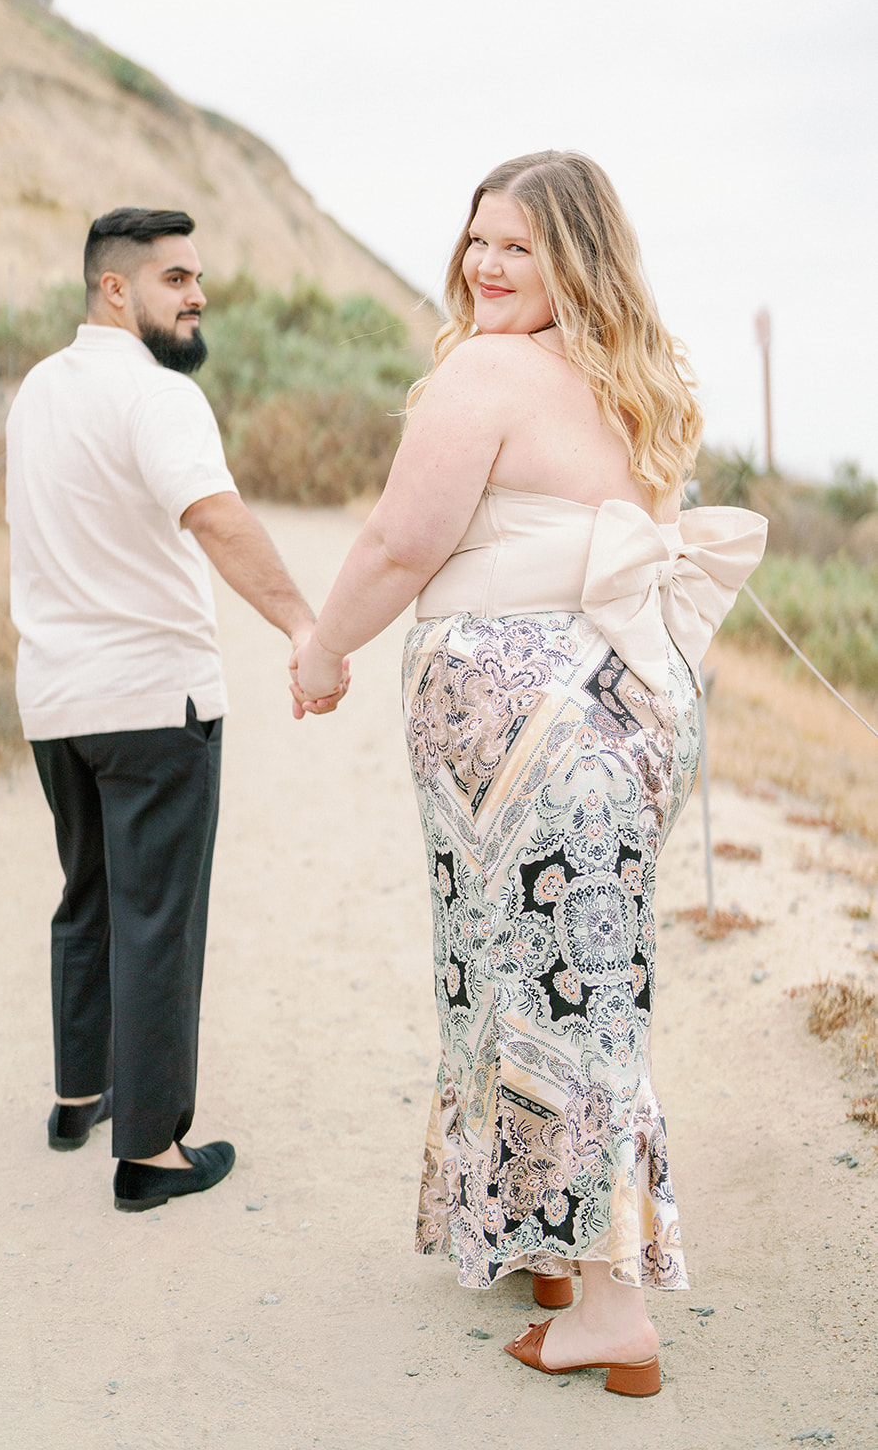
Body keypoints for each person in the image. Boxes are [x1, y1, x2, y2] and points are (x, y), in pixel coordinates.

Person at [292, 153, 766, 1395]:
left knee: (538, 995)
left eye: (518, 246)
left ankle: (608, 1304)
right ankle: (541, 1247)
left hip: (529, 740)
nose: (484, 266)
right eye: (475, 240)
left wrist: (321, 643)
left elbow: (402, 541)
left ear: (576, 259)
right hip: (618, 720)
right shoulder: (629, 378)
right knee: (565, 986)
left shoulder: (487, 370)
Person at [6, 207, 345, 1214]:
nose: (197, 296)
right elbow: (216, 518)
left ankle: (81, 1095)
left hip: (57, 701)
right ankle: (150, 1154)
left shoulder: (36, 391)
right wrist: (300, 624)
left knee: (90, 895)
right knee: (157, 919)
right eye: (175, 279)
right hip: (154, 698)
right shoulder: (155, 397)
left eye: (198, 279)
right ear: (116, 288)